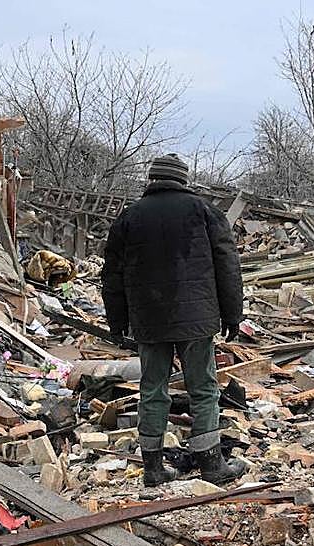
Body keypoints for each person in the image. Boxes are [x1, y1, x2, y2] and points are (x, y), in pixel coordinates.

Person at [101, 153, 248, 487]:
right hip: (197, 319)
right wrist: (233, 314)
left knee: (152, 389)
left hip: (149, 319)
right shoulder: (205, 212)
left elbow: (112, 274)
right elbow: (227, 265)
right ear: (183, 180)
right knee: (203, 388)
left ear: (152, 179)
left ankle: (153, 469)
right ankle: (212, 464)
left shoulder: (129, 217)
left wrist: (117, 322)